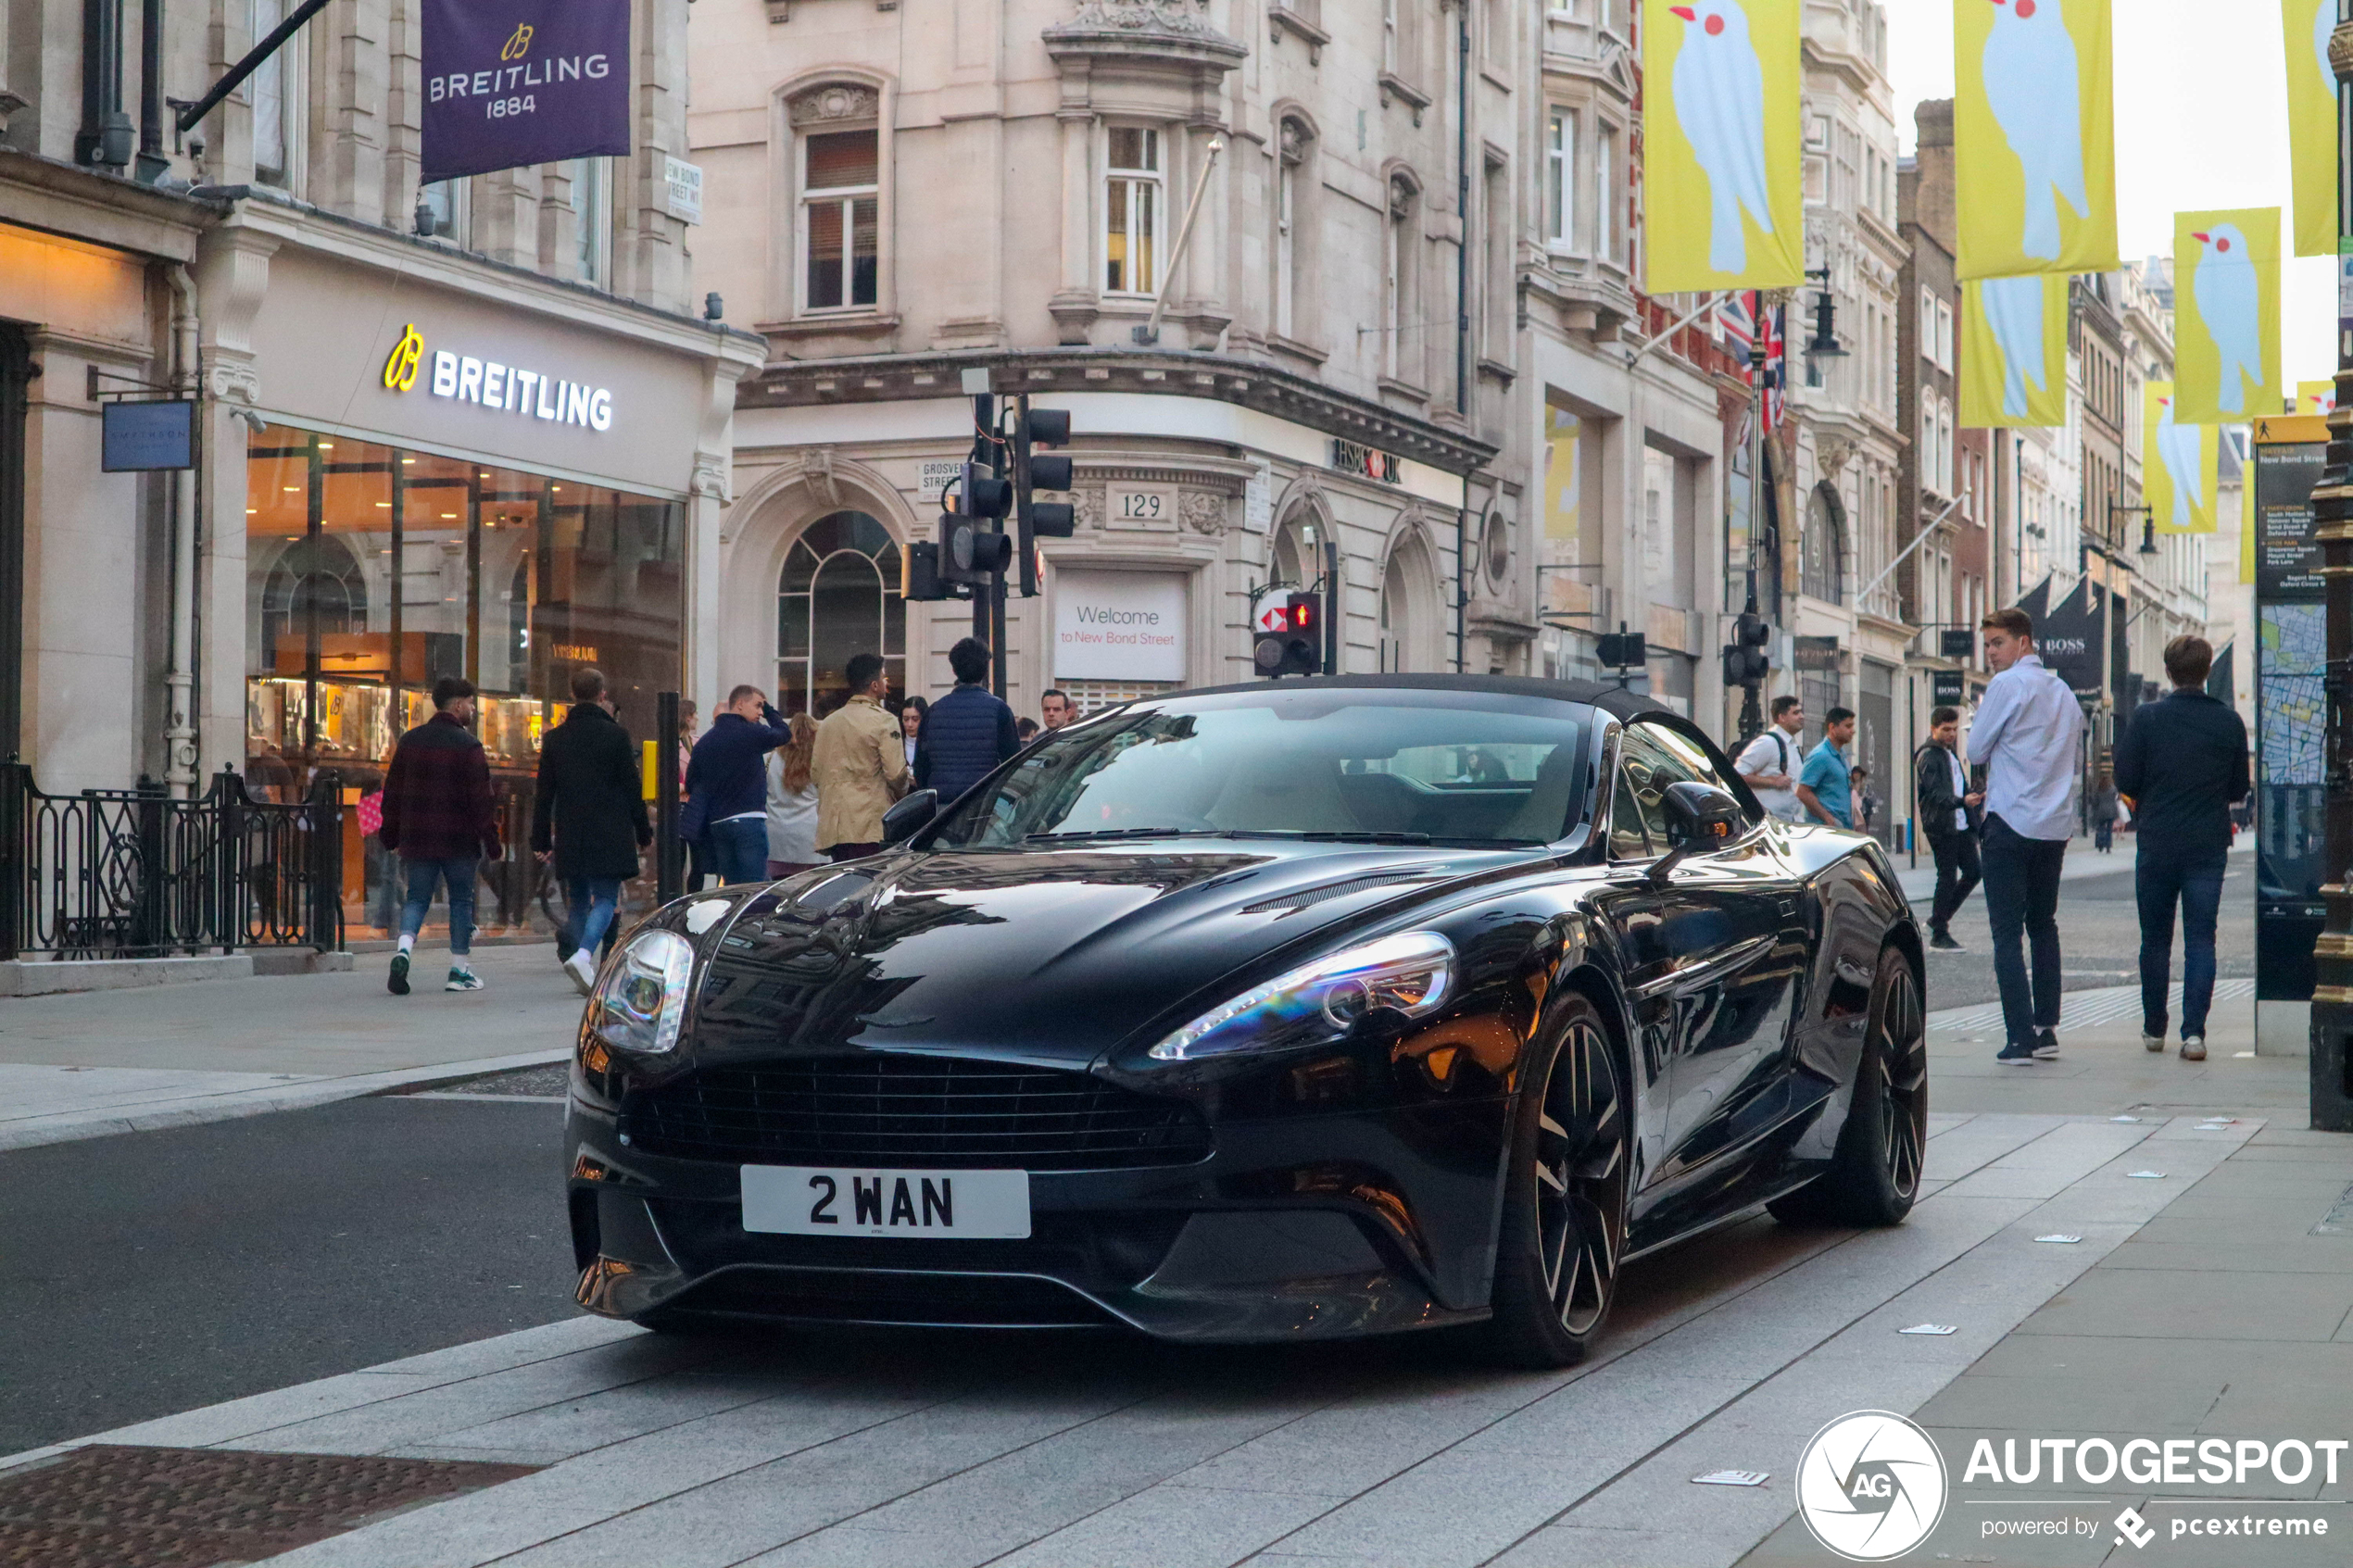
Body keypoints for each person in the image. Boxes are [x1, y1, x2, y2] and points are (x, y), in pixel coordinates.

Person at [2113, 634, 2250, 1061]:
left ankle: (2155, 1028)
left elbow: (2126, 779)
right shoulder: (2228, 721)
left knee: (2154, 939)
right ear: (2207, 670)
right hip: (2207, 844)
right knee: (2201, 940)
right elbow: (2238, 788)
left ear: (2168, 672)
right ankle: (2195, 1034)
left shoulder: (2147, 719)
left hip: (2157, 841)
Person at [1971, 606, 2082, 1066]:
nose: (1991, 654)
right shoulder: (2065, 693)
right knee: (2043, 924)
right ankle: (2047, 1029)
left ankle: (2019, 1038)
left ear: (2023, 642)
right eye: (1987, 645)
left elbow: (1976, 748)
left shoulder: (2007, 685)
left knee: (2005, 933)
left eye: (1997, 644)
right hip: (2052, 827)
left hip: (2010, 820)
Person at [531, 667, 652, 996]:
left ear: (572, 695)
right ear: (602, 694)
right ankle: (584, 955)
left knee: (580, 898)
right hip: (610, 829)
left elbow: (544, 793)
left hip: (571, 829)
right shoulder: (615, 736)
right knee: (607, 897)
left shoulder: (555, 738)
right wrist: (643, 830)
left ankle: (574, 952)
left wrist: (539, 838)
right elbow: (632, 787)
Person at [377, 676, 500, 996]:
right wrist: (492, 840)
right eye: (470, 703)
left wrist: (390, 834)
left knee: (417, 898)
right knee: (461, 900)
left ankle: (404, 949)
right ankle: (459, 969)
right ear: (458, 705)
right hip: (459, 840)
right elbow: (481, 798)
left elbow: (392, 792)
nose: (472, 708)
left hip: (417, 837)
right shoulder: (469, 746)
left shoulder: (411, 741)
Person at [684, 684, 792, 884]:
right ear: (740, 705)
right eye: (758, 705)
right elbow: (784, 734)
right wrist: (770, 711)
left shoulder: (705, 742)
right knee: (755, 887)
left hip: (718, 824)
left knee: (732, 888)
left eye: (763, 707)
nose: (760, 711)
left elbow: (691, 783)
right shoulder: (752, 733)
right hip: (748, 820)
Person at [813, 653, 910, 861]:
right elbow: (895, 774)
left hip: (835, 827)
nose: (886, 683)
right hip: (870, 824)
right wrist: (904, 792)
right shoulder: (885, 721)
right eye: (884, 678)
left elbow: (815, 773)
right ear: (874, 685)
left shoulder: (828, 723)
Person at [1913, 705, 1984, 952]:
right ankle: (1939, 931)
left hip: (1960, 824)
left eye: (1954, 729)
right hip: (1941, 825)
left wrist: (1969, 802)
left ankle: (1937, 920)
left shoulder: (1949, 754)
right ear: (1933, 728)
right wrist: (1962, 801)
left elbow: (1957, 787)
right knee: (1947, 876)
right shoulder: (1929, 756)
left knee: (1974, 871)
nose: (1951, 734)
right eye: (1946, 729)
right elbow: (1935, 794)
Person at [917, 638, 1022, 803]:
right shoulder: (999, 710)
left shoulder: (933, 711)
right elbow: (1013, 763)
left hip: (941, 805)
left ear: (954, 670)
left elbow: (921, 768)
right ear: (986, 671)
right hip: (983, 803)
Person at [766, 712, 823, 879]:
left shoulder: (770, 759)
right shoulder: (819, 760)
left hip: (776, 836)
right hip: (810, 836)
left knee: (777, 893)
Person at [1732, 696, 1806, 822]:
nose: (1802, 717)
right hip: (1768, 823)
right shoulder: (1768, 742)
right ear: (1781, 717)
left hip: (1788, 822)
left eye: (1801, 712)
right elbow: (1737, 774)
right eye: (1795, 713)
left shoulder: (1792, 745)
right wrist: (1772, 782)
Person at [1795, 707, 1857, 829]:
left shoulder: (1842, 756)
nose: (1852, 731)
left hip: (1843, 826)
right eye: (1848, 726)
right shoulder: (1820, 756)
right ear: (1832, 728)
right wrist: (1827, 817)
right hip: (1827, 829)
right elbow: (1802, 792)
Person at [898, 695, 929, 775]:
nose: (910, 724)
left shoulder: (931, 745)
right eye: (905, 719)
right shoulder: (896, 744)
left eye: (915, 719)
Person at [2090, 773, 2120, 853]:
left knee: (2101, 828)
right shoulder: (2113, 789)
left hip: (2101, 811)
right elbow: (2117, 798)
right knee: (2109, 830)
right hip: (2111, 811)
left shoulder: (2098, 789)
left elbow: (2095, 801)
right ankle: (2108, 846)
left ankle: (2100, 843)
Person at [1850, 766, 1878, 834]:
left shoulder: (1866, 788)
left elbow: (1872, 801)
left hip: (1864, 815)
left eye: (1858, 773)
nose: (1856, 775)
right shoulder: (1850, 789)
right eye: (1855, 773)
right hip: (1854, 819)